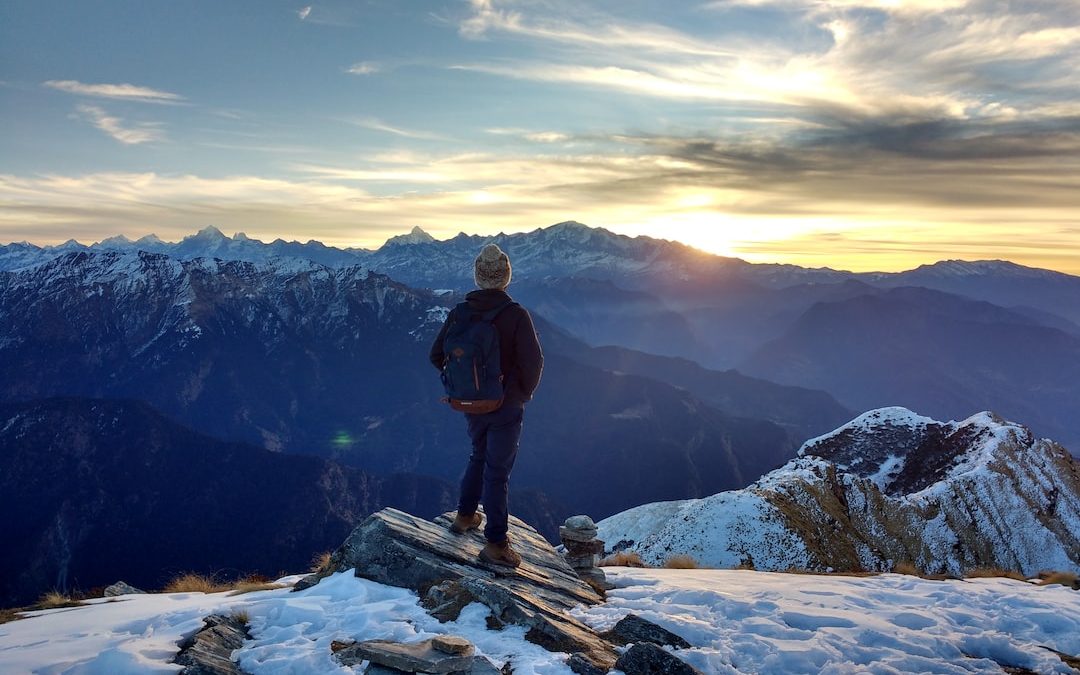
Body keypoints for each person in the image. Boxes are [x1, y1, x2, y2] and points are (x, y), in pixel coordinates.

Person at [429, 243, 543, 567]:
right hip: (505, 406)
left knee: (478, 454)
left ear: (477, 277)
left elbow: (436, 355)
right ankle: (496, 545)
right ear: (506, 277)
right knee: (498, 472)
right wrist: (521, 393)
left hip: (470, 403)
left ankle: (465, 516)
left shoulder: (460, 313)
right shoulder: (516, 315)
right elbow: (534, 363)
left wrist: (463, 384)